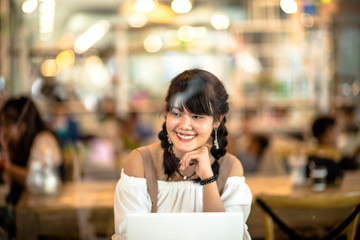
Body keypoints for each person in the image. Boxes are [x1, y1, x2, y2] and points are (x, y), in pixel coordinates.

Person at [112, 69, 252, 240]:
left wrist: (208, 177)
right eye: (177, 114)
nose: (185, 125)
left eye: (197, 116)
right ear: (166, 111)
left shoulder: (230, 167)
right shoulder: (140, 162)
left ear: (217, 120)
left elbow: (226, 236)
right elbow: (131, 235)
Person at [0, 96, 63, 238]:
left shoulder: (43, 141)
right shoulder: (19, 145)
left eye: (7, 125)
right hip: (29, 216)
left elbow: (37, 181)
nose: (3, 131)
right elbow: (10, 188)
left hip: (46, 220)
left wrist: (6, 166)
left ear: (23, 125)